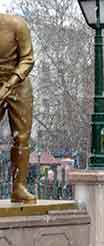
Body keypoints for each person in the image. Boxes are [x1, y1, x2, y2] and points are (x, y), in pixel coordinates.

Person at [0, 13, 36, 203]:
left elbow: (28, 59)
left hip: (18, 83)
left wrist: (9, 85)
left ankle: (19, 187)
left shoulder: (16, 24)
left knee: (21, 137)